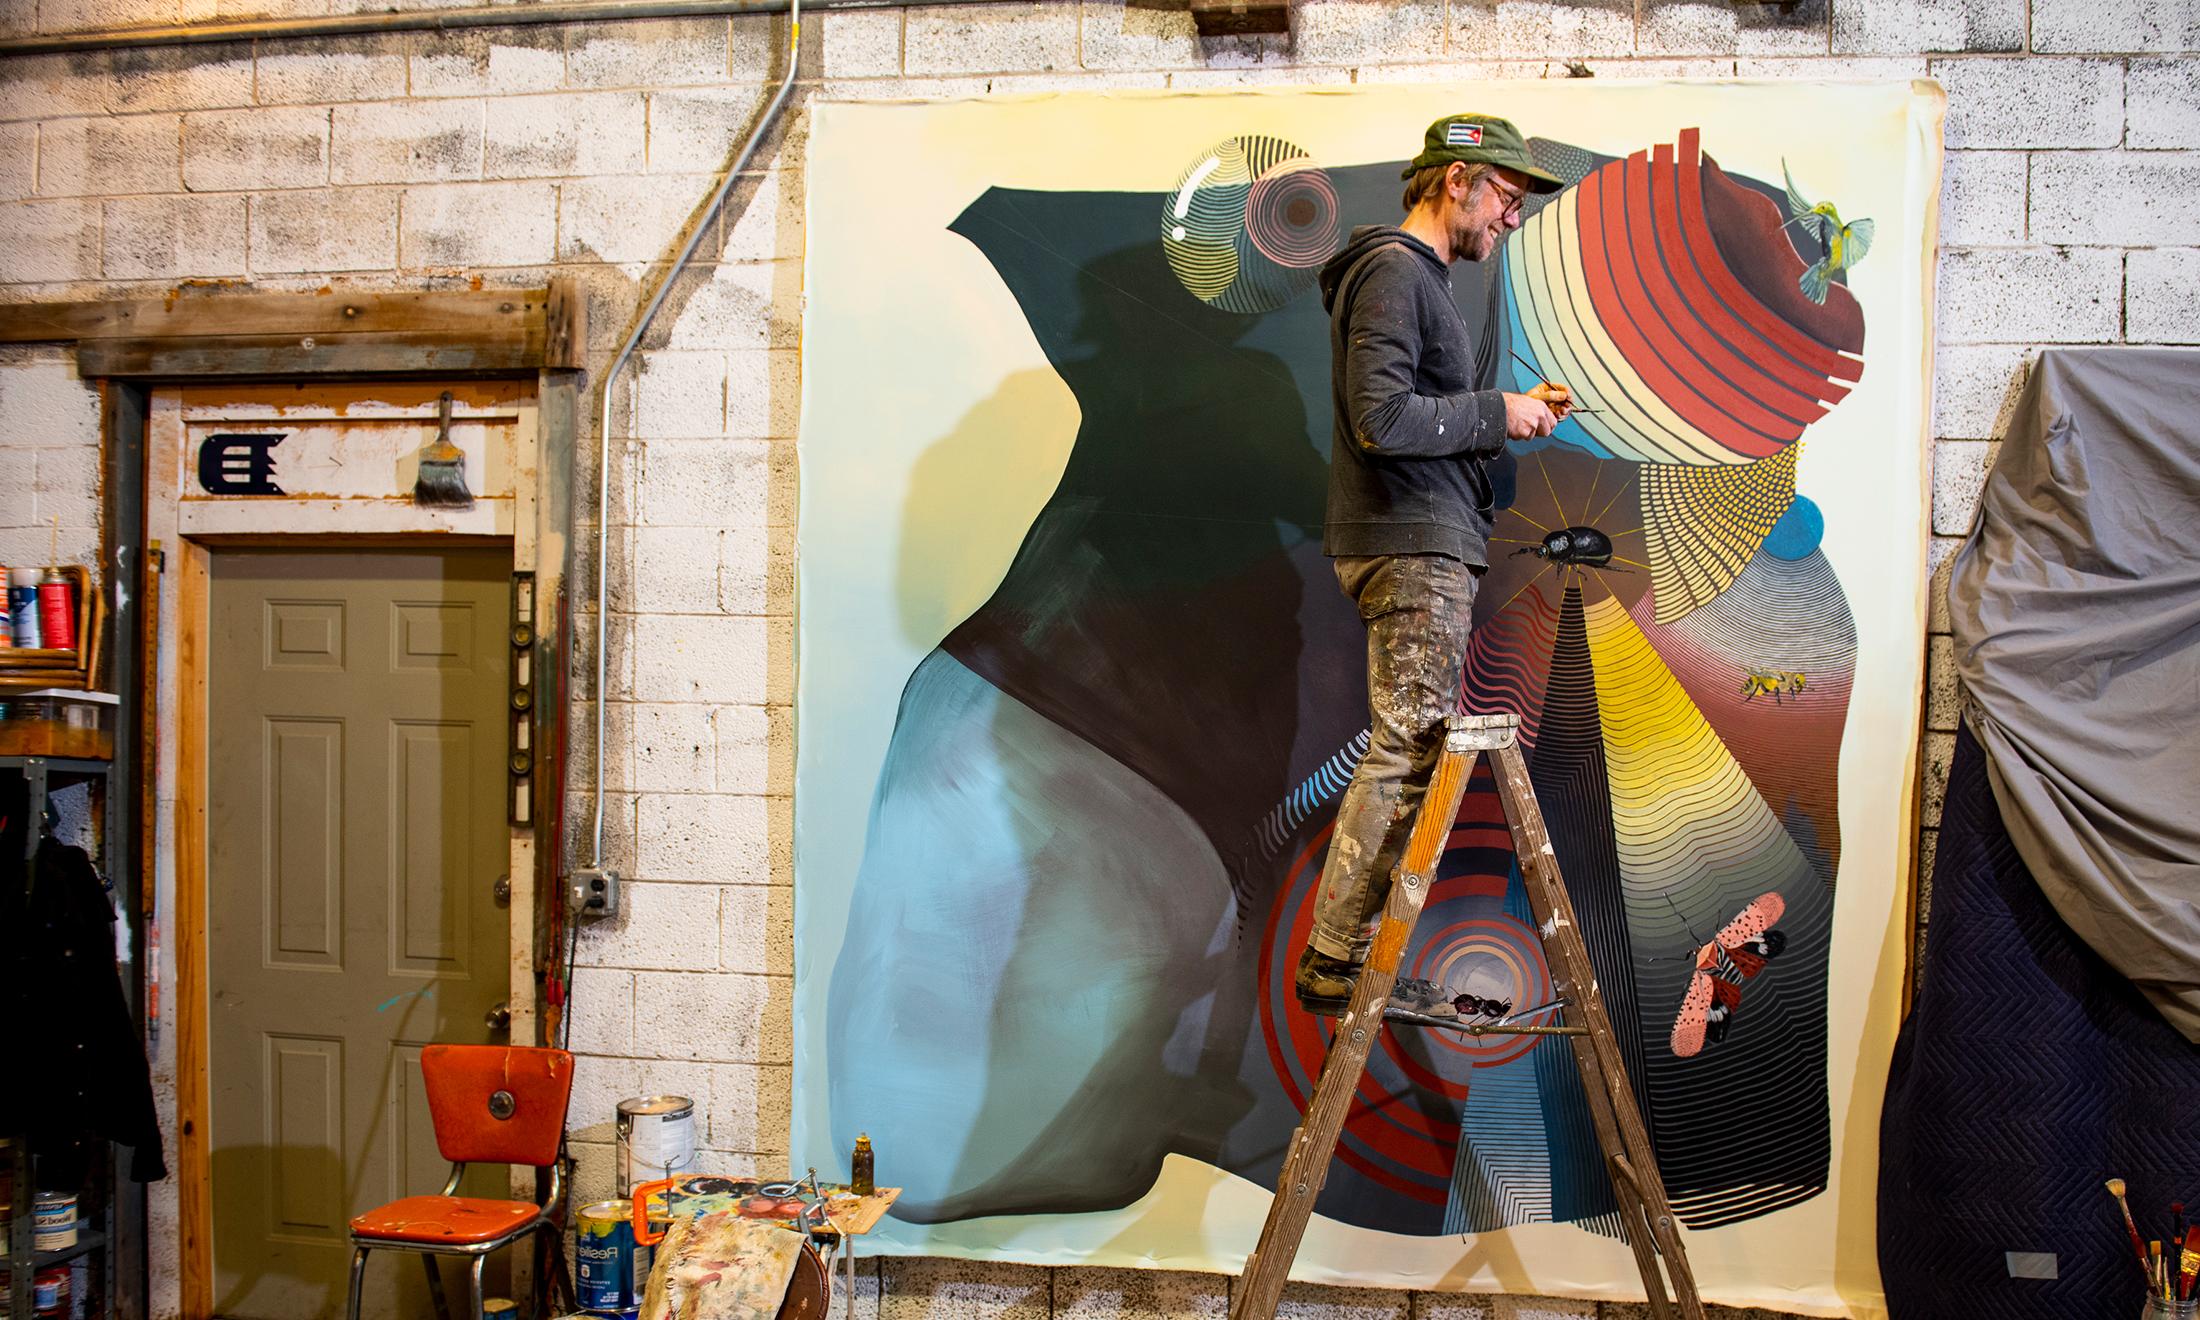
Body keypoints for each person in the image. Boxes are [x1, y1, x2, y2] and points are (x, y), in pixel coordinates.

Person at [1296, 112, 1572, 1015]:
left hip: (1426, 543)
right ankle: (1334, 958)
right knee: (1408, 741)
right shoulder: (1390, 272)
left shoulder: (1416, 281)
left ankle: (1347, 951)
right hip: (1410, 548)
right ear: (1454, 179)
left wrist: (1506, 409)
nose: (1512, 219)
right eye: (1506, 195)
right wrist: (1496, 411)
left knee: (1410, 744)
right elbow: (1382, 421)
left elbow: (1416, 416)